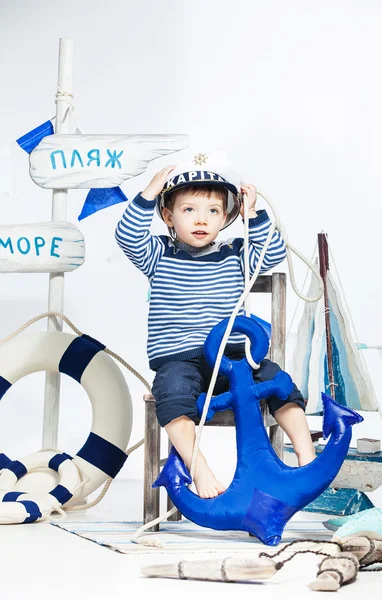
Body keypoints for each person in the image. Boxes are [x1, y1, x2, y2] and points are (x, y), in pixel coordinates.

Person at [115, 153, 315, 499]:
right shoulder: (159, 254)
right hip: (179, 359)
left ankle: (307, 457)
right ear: (168, 215)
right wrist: (150, 191)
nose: (201, 220)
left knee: (276, 380)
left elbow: (272, 254)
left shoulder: (236, 253)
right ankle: (198, 466)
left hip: (235, 357)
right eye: (188, 210)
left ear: (225, 218)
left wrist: (254, 213)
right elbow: (127, 237)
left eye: (212, 212)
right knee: (172, 394)